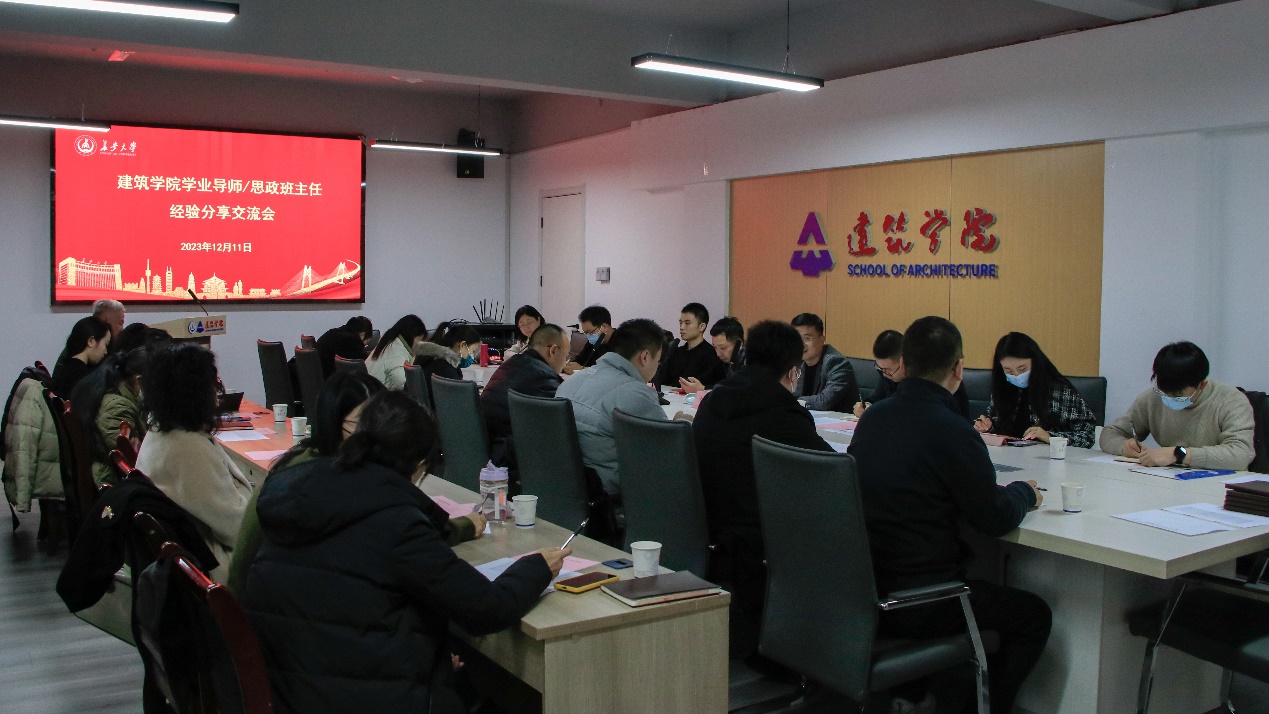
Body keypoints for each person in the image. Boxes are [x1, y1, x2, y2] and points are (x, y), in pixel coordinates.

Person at [243, 391, 570, 713]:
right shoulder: (394, 520)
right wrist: (536, 567)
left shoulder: (298, 495)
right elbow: (486, 609)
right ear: (418, 465)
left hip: (294, 693)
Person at [848, 316, 1050, 714]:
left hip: (864, 589)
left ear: (903, 364)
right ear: (958, 368)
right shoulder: (954, 430)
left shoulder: (874, 418)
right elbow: (994, 519)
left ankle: (921, 694)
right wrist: (1025, 493)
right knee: (1034, 615)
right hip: (924, 600)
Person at [227, 372, 486, 594]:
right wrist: (462, 527)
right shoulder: (314, 481)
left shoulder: (318, 469)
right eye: (364, 426)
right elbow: (403, 536)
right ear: (334, 422)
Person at [692, 320, 832, 646]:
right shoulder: (784, 414)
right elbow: (833, 475)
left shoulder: (713, 400)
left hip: (710, 526)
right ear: (793, 371)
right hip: (761, 540)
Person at [135, 343, 252, 584]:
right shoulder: (187, 450)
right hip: (215, 566)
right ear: (195, 392)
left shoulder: (163, 432)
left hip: (197, 553)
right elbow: (238, 529)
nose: (217, 390)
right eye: (213, 382)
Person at [1101, 341, 1254, 469]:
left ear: (1201, 385)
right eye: (1163, 391)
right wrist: (1124, 446)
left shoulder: (1231, 400)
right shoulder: (1152, 398)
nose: (1168, 398)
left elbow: (1241, 454)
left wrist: (1179, 454)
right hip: (1168, 480)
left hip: (1216, 485)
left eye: (1177, 395)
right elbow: (1110, 433)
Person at [558, 318, 668, 495]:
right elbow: (667, 449)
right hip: (609, 491)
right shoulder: (636, 393)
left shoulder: (572, 380)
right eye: (658, 362)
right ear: (645, 357)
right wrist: (682, 423)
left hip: (566, 485)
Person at [972, 332, 1098, 448]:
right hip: (1008, 456)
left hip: (1047, 458)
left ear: (1035, 362)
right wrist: (987, 427)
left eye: (1022, 369)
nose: (1016, 375)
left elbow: (1088, 436)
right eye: (1008, 370)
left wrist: (1050, 437)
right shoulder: (1002, 387)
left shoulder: (1059, 391)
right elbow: (997, 424)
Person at [481, 323, 570, 463]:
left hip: (484, 448)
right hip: (505, 458)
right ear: (553, 351)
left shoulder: (511, 364)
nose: (565, 363)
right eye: (566, 356)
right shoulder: (543, 378)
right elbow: (560, 426)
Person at [70, 347, 149, 485]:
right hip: (112, 483)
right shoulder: (117, 408)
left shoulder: (118, 394)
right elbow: (135, 461)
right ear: (139, 381)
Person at [855, 329, 972, 421]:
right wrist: (866, 407)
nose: (885, 374)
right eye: (880, 369)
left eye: (887, 370)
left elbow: (959, 419)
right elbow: (876, 399)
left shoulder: (936, 379)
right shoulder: (888, 375)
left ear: (903, 362)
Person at [790, 312, 859, 411]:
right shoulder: (796, 362)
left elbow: (824, 402)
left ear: (822, 340)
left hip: (838, 419)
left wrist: (793, 402)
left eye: (807, 338)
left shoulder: (836, 363)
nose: (801, 345)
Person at [656, 303, 726, 390]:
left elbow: (718, 386)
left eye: (687, 323)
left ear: (701, 326)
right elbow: (663, 381)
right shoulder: (676, 352)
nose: (682, 327)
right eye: (680, 323)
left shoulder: (712, 355)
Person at [414, 322, 483, 408]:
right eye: (472, 351)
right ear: (462, 345)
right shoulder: (444, 368)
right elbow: (463, 400)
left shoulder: (431, 358)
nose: (472, 356)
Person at [682, 316, 745, 393]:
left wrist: (703, 389)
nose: (718, 354)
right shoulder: (724, 360)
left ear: (739, 344)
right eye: (715, 347)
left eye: (723, 348)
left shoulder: (750, 362)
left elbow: (737, 389)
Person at [52, 316, 111, 397]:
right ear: (91, 341)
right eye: (106, 344)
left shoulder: (63, 368)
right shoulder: (83, 378)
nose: (106, 352)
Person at [366, 314, 428, 390]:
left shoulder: (389, 342)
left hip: (370, 390)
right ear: (410, 336)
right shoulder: (397, 351)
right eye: (418, 340)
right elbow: (401, 383)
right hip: (379, 394)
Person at [564, 305, 614, 373]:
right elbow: (579, 361)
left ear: (604, 326)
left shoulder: (622, 343)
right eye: (586, 333)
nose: (589, 336)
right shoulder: (593, 342)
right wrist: (567, 366)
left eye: (590, 332)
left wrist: (581, 369)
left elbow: (613, 372)